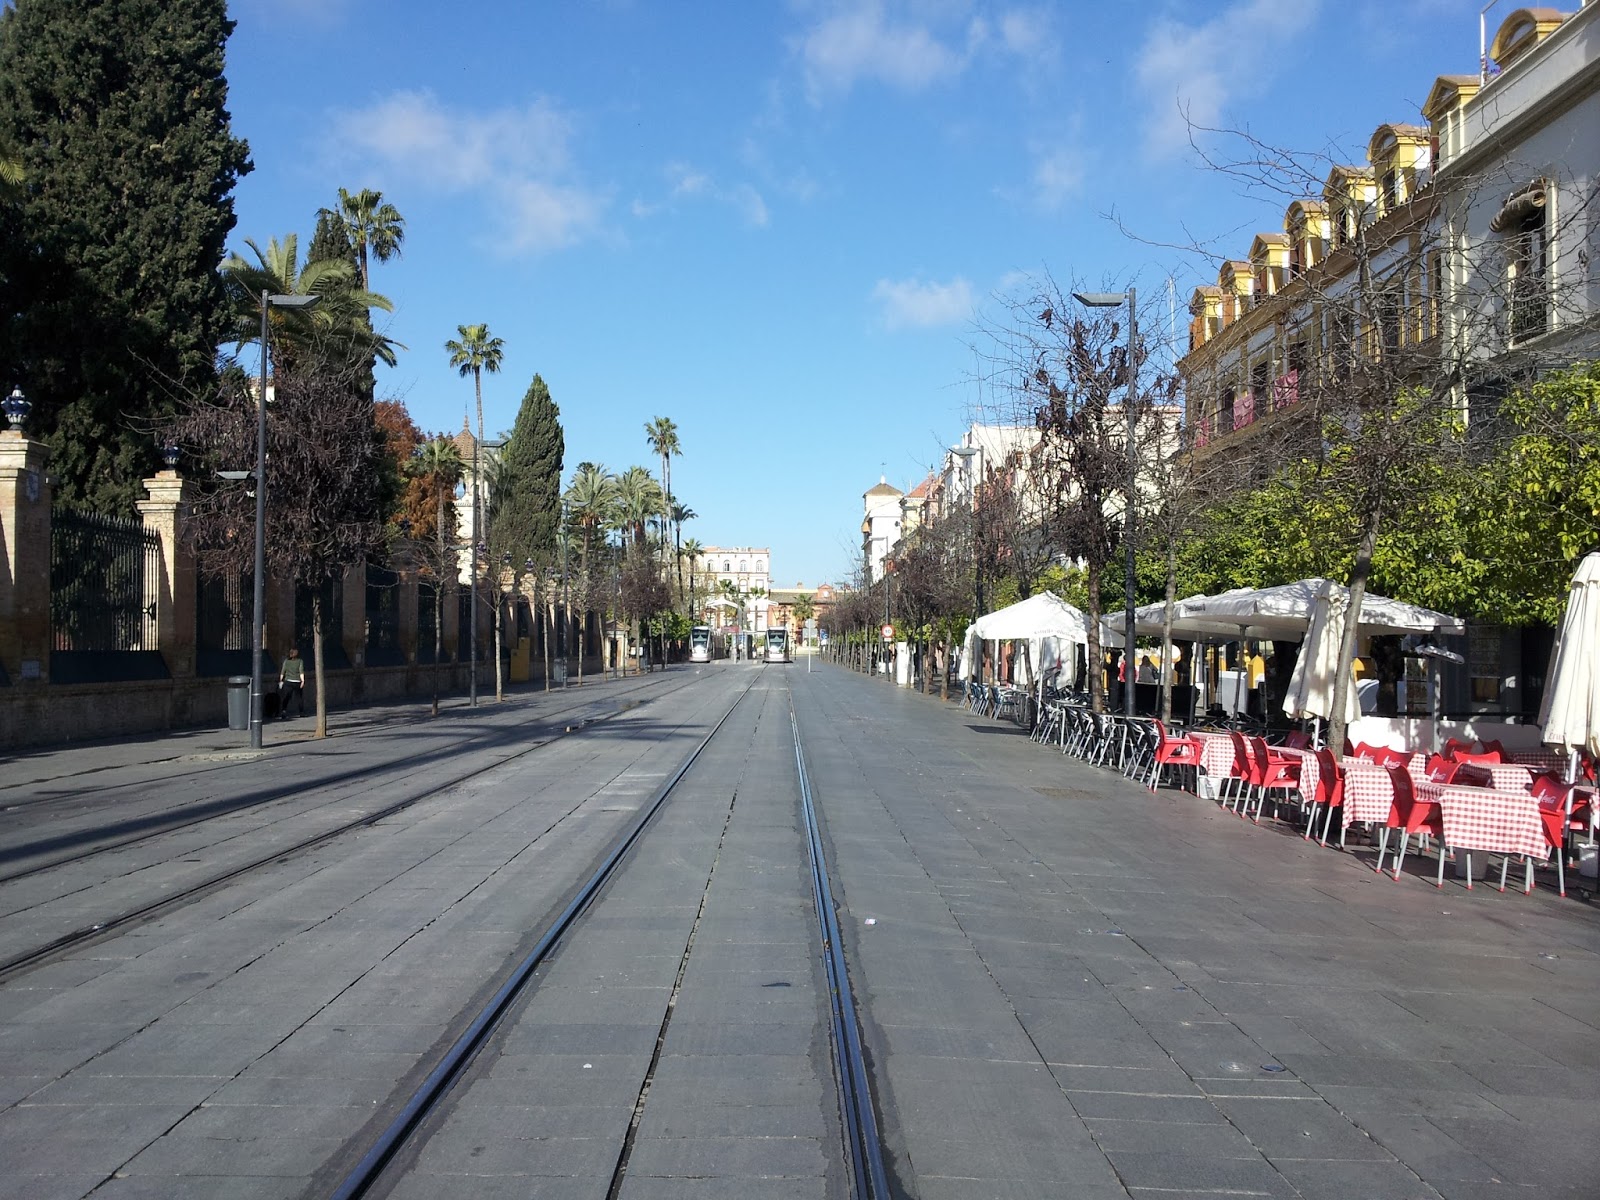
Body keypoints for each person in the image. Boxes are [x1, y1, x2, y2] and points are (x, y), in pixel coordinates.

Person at [278, 647, 306, 718]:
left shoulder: (286, 661)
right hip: (297, 681)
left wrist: (281, 680)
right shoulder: (300, 661)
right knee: (299, 697)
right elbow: (301, 671)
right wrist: (302, 681)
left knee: (286, 697)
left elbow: (282, 671)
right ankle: (301, 712)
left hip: (288, 681)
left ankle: (284, 711)